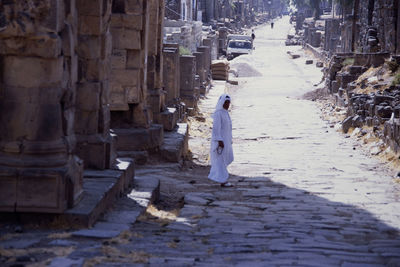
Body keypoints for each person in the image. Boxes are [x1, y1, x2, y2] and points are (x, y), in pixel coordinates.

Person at [208, 94, 234, 187]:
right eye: (226, 103)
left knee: (226, 158)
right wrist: (219, 140)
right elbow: (216, 129)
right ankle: (223, 180)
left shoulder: (225, 113)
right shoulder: (218, 113)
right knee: (220, 160)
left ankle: (221, 178)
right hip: (221, 141)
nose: (227, 105)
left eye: (228, 103)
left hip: (226, 140)